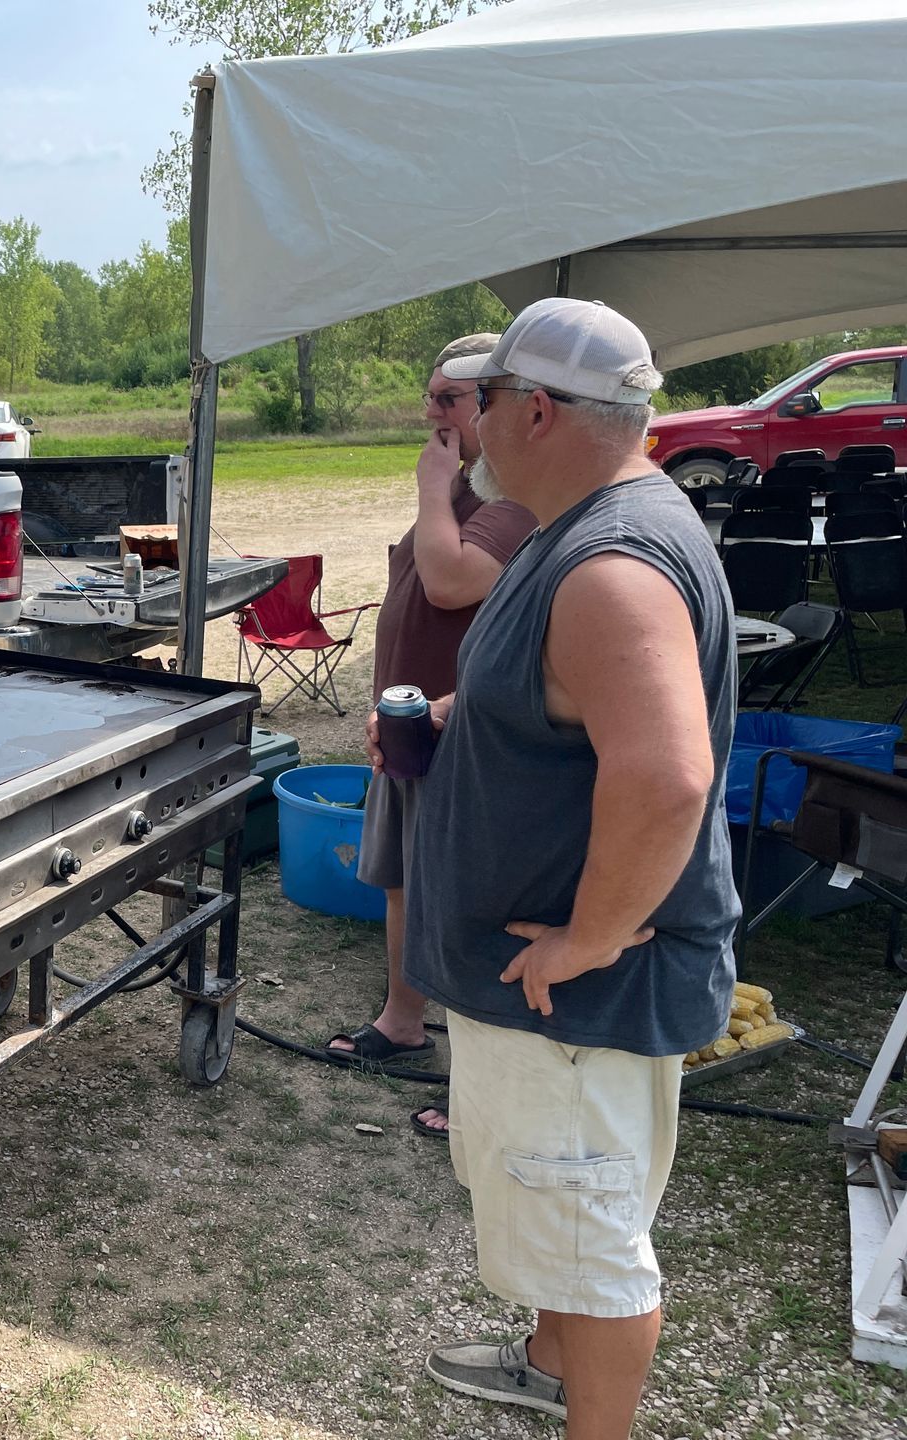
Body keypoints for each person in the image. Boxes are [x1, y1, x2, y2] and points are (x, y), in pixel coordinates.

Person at [372, 298, 737, 1439]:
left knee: (591, 1243)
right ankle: (543, 1361)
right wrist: (453, 712)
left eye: (480, 400)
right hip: (531, 984)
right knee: (547, 1215)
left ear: (533, 409)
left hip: (573, 994)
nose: (467, 422)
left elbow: (668, 775)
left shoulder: (611, 565)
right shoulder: (572, 527)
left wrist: (590, 932)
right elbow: (570, 706)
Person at [326, 333, 537, 1146]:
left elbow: (452, 580)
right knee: (403, 880)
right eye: (430, 398)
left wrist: (430, 487)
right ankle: (403, 1020)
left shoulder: (515, 500)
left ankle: (478, 1084)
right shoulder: (463, 491)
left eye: (448, 400)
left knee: (470, 898)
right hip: (411, 726)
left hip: (471, 731)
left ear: (493, 404)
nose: (432, 416)